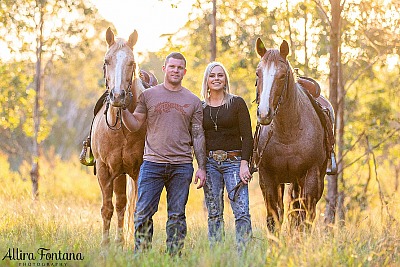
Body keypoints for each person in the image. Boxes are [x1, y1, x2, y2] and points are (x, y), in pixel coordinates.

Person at [121, 52, 207, 256]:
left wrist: (201, 167)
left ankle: (174, 257)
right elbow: (134, 125)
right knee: (142, 213)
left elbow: (198, 135)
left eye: (180, 68)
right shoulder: (148, 96)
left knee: (177, 215)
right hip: (152, 164)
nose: (176, 70)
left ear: (184, 72)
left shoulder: (193, 101)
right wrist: (122, 109)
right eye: (172, 67)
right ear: (165, 69)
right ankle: (141, 256)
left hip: (182, 166)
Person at [200, 62, 253, 253]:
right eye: (212, 75)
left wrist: (244, 164)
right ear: (207, 79)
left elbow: (247, 136)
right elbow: (197, 138)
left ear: (225, 79)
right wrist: (201, 166)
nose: (216, 79)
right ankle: (217, 256)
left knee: (241, 212)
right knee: (214, 213)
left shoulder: (236, 103)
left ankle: (244, 256)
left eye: (220, 75)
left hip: (234, 162)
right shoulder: (201, 107)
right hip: (210, 163)